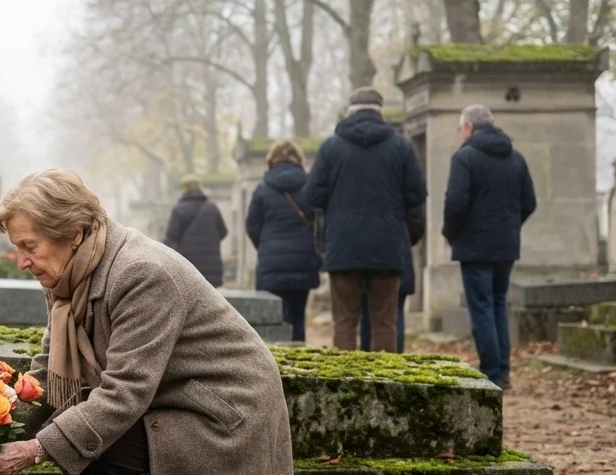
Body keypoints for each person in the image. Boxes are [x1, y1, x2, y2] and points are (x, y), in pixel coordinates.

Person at [0, 168, 295, 475]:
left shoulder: (141, 274)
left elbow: (125, 392)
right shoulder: (66, 275)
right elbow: (47, 376)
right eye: (17, 247)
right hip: (166, 404)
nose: (22, 261)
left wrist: (34, 450)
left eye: (29, 246)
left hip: (222, 417)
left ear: (73, 233)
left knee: (98, 448)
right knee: (80, 439)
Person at [306, 87, 426, 352]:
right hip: (387, 244)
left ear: (349, 112)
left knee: (344, 322)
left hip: (342, 246)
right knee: (384, 323)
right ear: (380, 112)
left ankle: (347, 376)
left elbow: (313, 195)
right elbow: (417, 195)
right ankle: (385, 377)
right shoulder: (401, 147)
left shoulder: (331, 148)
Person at [443, 104, 536, 388]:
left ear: (469, 127)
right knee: (498, 305)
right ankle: (503, 371)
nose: (460, 133)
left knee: (481, 308)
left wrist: (451, 233)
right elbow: (529, 202)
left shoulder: (464, 158)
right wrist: (510, 227)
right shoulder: (516, 158)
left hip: (474, 247)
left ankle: (491, 373)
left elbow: (456, 203)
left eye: (461, 128)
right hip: (505, 245)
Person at [244, 139, 320, 342]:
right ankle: (299, 353)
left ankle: (273, 358)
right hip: (303, 260)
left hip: (271, 262)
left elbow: (252, 225)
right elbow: (318, 220)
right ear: (298, 159)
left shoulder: (262, 189)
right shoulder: (309, 186)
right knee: (298, 316)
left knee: (272, 317)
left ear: (271, 160)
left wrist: (265, 246)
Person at [359, 205, 424, 353]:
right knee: (394, 315)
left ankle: (367, 359)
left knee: (367, 314)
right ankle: (395, 359)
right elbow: (416, 222)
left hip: (364, 254)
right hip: (398, 250)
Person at [162, 175, 228, 286]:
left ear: (184, 189)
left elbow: (171, 238)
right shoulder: (212, 208)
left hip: (189, 266)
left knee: (190, 294)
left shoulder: (179, 209)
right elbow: (223, 232)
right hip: (211, 266)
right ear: (200, 187)